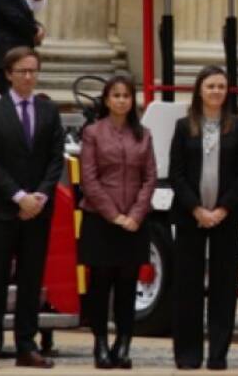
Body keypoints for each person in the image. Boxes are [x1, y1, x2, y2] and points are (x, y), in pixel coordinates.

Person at [0, 46, 64, 369]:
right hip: (2, 209)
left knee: (30, 281)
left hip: (37, 212)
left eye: (33, 71)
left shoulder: (48, 111)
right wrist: (18, 196)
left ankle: (26, 345)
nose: (29, 77)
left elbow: (56, 158)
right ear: (9, 74)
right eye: (23, 71)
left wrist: (39, 196)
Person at [169, 65, 238, 370]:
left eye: (221, 86)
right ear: (199, 91)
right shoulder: (183, 126)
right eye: (210, 86)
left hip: (226, 217)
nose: (216, 91)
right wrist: (197, 210)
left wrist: (220, 210)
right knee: (187, 286)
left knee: (224, 286)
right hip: (191, 215)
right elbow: (176, 174)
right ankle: (188, 355)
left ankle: (218, 355)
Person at [78, 76, 157, 369]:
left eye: (127, 95)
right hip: (101, 220)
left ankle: (123, 344)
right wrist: (114, 215)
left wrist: (135, 215)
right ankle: (99, 343)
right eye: (116, 95)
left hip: (135, 222)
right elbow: (89, 178)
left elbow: (150, 178)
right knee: (100, 285)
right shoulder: (93, 133)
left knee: (127, 285)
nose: (122, 100)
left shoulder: (144, 134)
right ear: (107, 100)